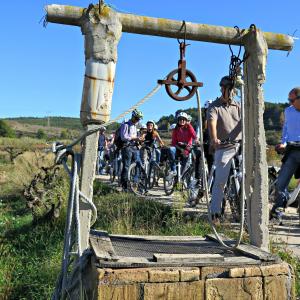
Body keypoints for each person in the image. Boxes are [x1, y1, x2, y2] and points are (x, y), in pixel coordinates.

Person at [207, 76, 241, 224]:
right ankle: (215, 213)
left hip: (240, 145)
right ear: (223, 89)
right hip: (224, 146)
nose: (232, 92)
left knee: (247, 176)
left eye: (234, 89)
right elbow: (212, 123)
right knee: (220, 181)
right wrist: (214, 138)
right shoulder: (214, 106)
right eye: (229, 89)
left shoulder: (239, 105)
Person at [270, 87, 300, 224]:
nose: (289, 102)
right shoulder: (288, 111)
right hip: (292, 150)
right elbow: (286, 129)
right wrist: (282, 143)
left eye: (291, 100)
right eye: (288, 100)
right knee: (281, 183)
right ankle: (278, 211)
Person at [120, 109, 144, 190]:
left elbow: (135, 138)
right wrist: (135, 138)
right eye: (137, 118)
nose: (138, 120)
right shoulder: (126, 124)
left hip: (134, 147)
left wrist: (138, 141)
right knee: (126, 166)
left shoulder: (135, 126)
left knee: (137, 165)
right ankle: (124, 186)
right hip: (126, 147)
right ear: (133, 116)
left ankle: (135, 183)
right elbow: (123, 137)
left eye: (139, 119)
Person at [168, 112, 197, 177]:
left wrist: (196, 140)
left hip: (187, 148)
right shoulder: (176, 128)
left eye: (183, 119)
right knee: (170, 149)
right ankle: (173, 170)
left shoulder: (188, 126)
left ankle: (181, 177)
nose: (182, 121)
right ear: (178, 120)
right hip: (178, 147)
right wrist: (179, 147)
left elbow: (194, 135)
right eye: (180, 119)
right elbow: (174, 142)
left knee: (184, 167)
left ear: (186, 120)